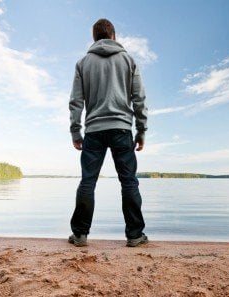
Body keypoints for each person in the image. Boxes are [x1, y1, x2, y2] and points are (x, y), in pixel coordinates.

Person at [68, 18, 148, 247]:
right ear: (113, 35)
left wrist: (76, 132)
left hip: (94, 130)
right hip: (122, 128)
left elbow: (76, 101)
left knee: (88, 181)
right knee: (129, 182)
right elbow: (139, 99)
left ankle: (80, 235)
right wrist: (141, 131)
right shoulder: (128, 60)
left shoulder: (83, 63)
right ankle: (134, 235)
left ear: (94, 38)